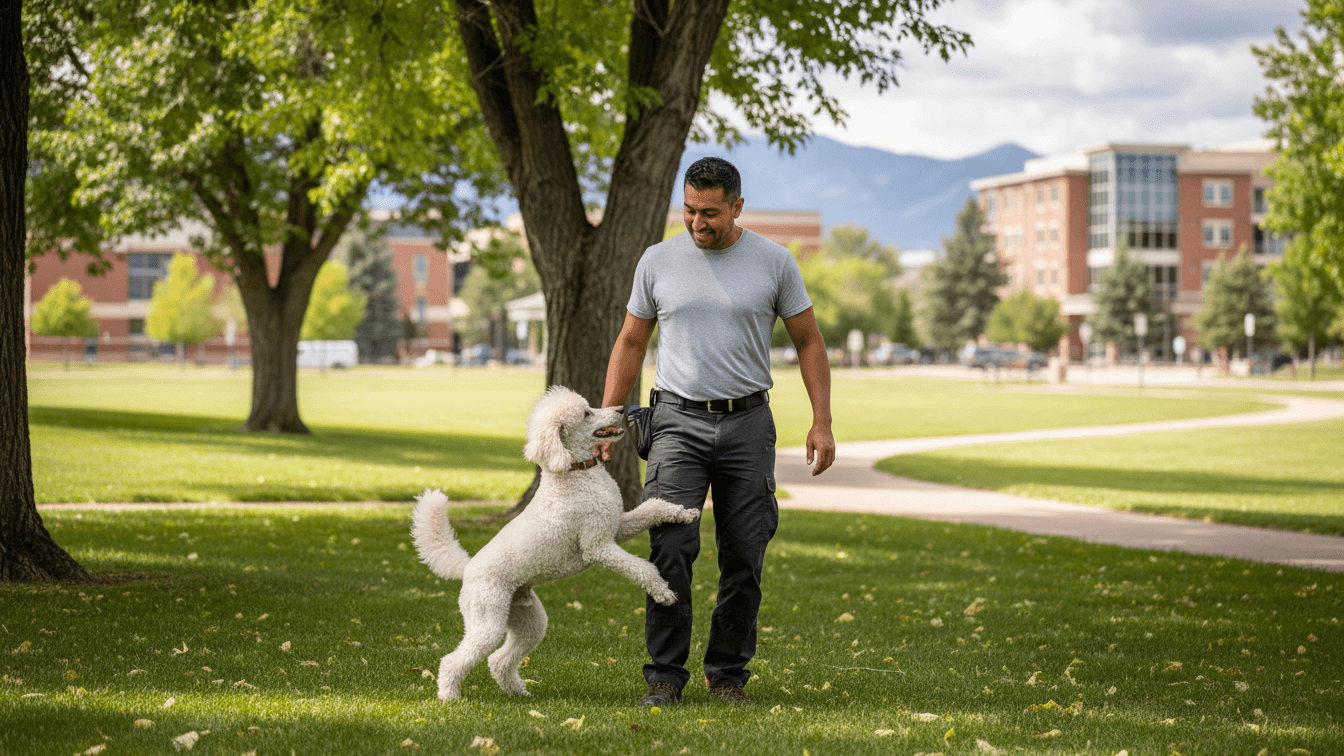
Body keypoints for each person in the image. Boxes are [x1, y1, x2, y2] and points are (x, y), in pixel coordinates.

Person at [596, 156, 835, 707]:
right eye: (689, 210)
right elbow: (631, 341)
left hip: (749, 423)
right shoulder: (657, 260)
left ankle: (727, 675)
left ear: (737, 207)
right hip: (676, 422)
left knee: (745, 553)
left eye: (710, 213)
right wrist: (608, 418)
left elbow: (809, 341)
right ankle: (664, 676)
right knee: (670, 548)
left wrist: (821, 421)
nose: (697, 223)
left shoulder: (775, 262)